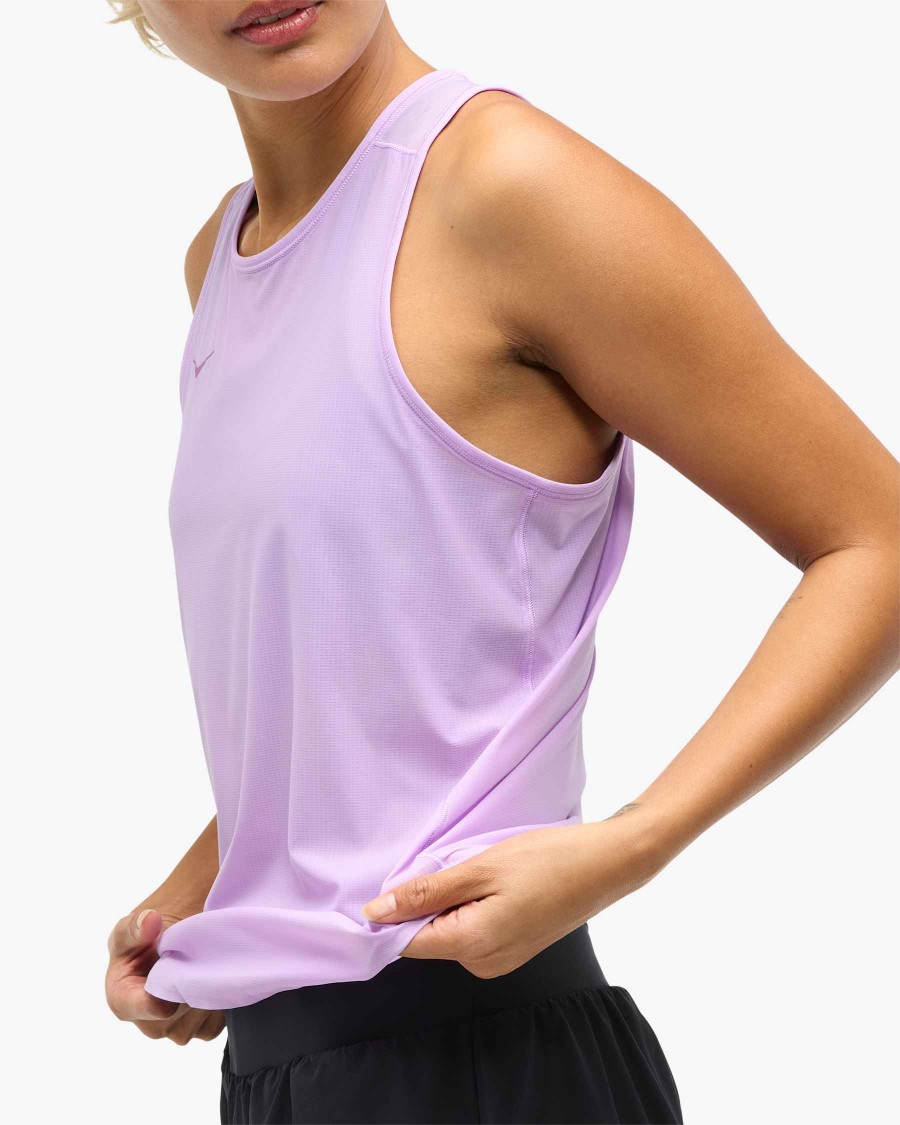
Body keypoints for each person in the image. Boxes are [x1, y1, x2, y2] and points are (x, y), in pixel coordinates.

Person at [103, 3, 899, 1124]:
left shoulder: (507, 186)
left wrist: (634, 843)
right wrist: (220, 886)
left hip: (486, 1062)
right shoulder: (221, 263)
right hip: (282, 1074)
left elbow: (875, 539)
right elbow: (364, 671)